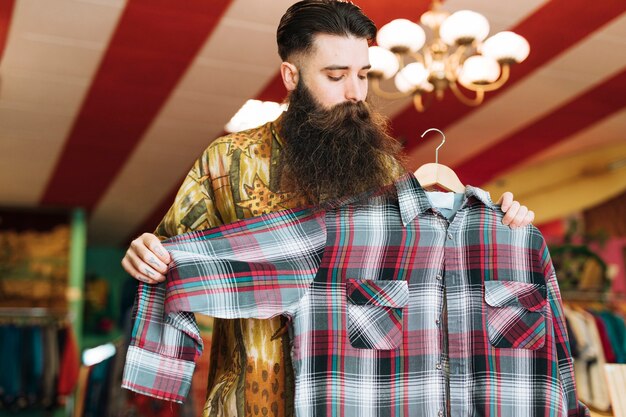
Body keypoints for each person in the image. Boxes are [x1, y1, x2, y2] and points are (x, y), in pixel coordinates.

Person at [121, 1, 535, 416]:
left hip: (359, 399)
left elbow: (437, 283)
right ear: (291, 76)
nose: (355, 92)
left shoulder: (385, 171)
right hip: (250, 400)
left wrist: (504, 227)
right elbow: (171, 256)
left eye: (363, 74)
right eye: (336, 76)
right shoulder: (228, 160)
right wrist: (149, 254)